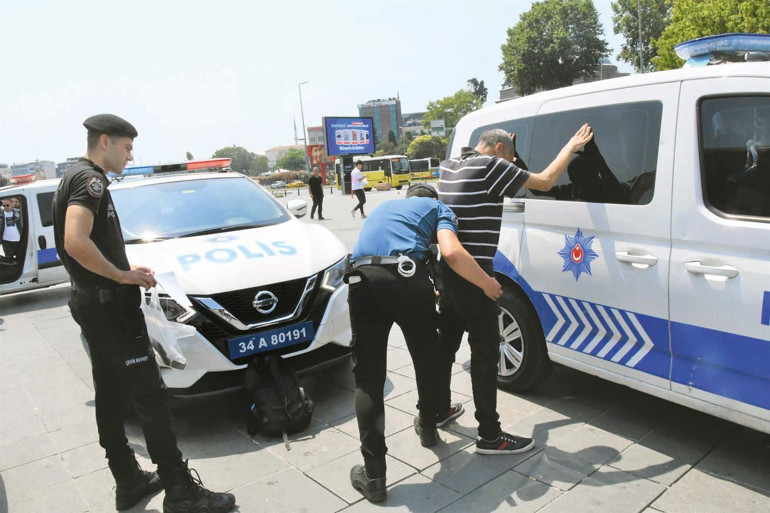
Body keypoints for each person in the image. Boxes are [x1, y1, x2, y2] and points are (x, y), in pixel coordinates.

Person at [52, 114, 236, 513]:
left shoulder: (72, 177)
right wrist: (121, 276)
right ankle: (180, 491)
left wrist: (125, 269)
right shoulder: (91, 180)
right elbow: (75, 241)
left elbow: (90, 245)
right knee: (151, 398)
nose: (130, 156)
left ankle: (128, 480)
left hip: (92, 303)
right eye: (127, 147)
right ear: (105, 141)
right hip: (110, 309)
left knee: (110, 394)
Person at [436, 124, 593, 455]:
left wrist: (510, 153)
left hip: (447, 274)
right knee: (484, 357)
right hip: (476, 277)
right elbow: (546, 181)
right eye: (509, 157)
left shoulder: (448, 167)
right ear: (498, 151)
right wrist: (570, 146)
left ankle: (437, 410)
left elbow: (503, 168)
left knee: (445, 347)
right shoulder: (492, 167)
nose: (512, 164)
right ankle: (490, 436)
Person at [347, 183, 502, 503]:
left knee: (369, 380)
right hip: (408, 277)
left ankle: (374, 476)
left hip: (362, 280)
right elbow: (451, 252)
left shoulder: (382, 208)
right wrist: (487, 284)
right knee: (427, 360)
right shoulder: (438, 208)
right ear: (433, 199)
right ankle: (428, 428)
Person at [1, 198, 23, 262]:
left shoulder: (18, 212)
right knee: (8, 259)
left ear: (12, 204)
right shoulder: (1, 214)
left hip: (18, 240)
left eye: (7, 205)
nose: (5, 207)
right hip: (6, 241)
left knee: (20, 258)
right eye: (4, 206)